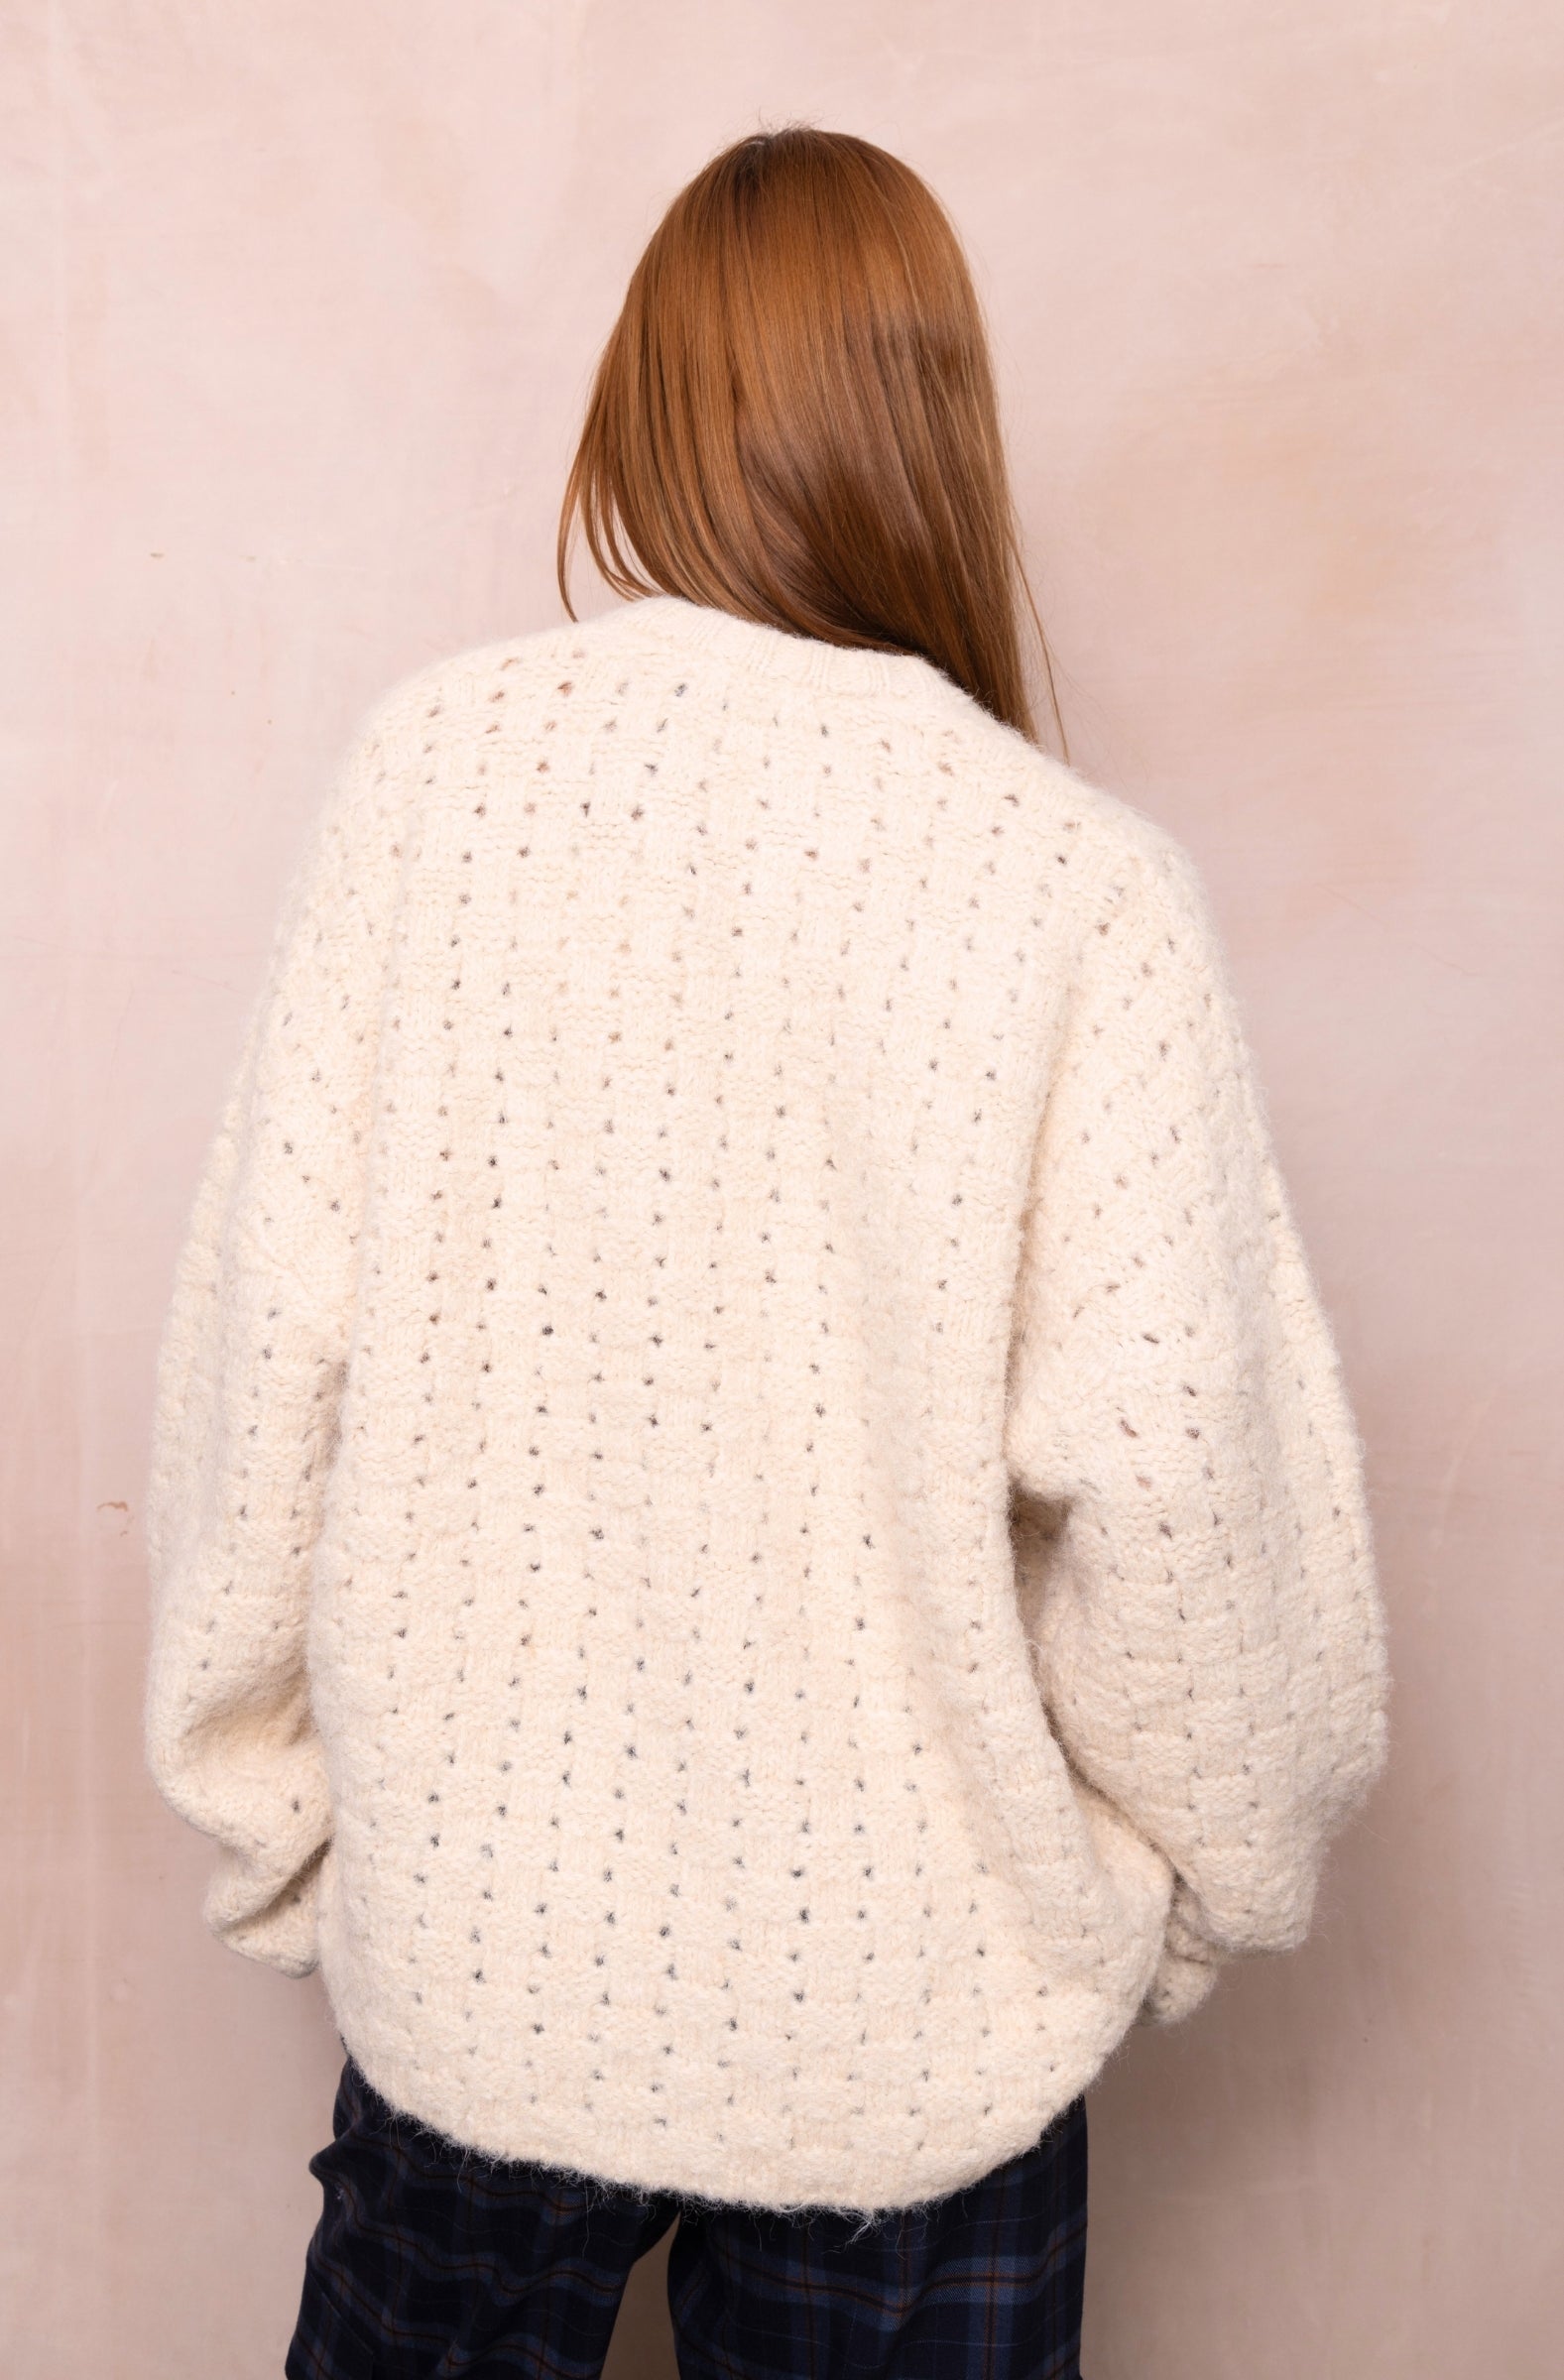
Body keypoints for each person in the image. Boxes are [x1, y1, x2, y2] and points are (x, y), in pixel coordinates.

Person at [144, 123, 1389, 2380]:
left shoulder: (430, 789)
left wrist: (281, 1822)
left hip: (480, 1949)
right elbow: (1190, 1495)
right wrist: (1194, 1888)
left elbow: (264, 1362)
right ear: (938, 430)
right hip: (924, 2009)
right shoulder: (1068, 883)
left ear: (640, 403)